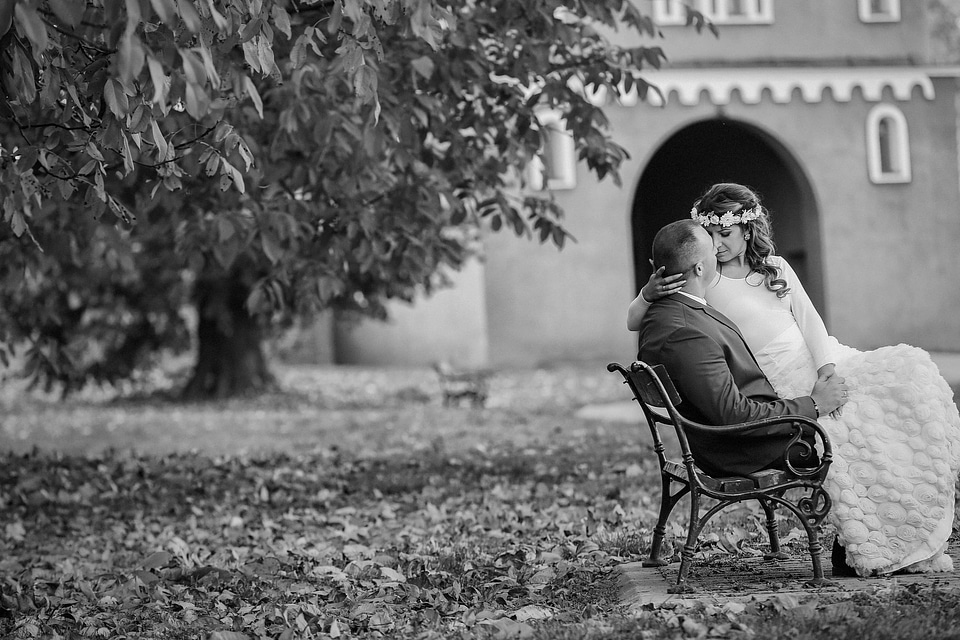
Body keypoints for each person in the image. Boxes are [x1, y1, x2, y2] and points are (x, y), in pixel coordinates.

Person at [629, 182, 960, 577]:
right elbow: (637, 319)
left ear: (748, 230)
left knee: (909, 375)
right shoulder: (706, 281)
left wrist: (828, 369)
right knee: (862, 426)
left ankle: (917, 523)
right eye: (711, 234)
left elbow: (811, 322)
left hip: (820, 363)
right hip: (782, 382)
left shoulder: (775, 269)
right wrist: (647, 294)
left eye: (726, 233)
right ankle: (879, 537)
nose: (717, 243)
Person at [635, 218, 848, 478]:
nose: (717, 250)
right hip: (747, 449)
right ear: (700, 268)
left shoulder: (674, 313)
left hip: (752, 432)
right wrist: (813, 405)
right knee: (855, 430)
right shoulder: (685, 333)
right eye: (711, 249)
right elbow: (735, 416)